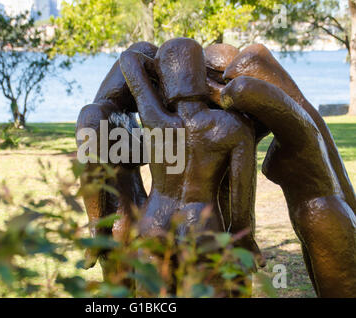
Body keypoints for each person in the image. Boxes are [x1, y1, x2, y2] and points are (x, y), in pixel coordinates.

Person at [120, 38, 263, 293]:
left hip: (155, 220)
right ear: (201, 74)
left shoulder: (155, 118)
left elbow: (129, 60)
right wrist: (244, 238)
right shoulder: (234, 128)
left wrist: (159, 70)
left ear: (166, 78)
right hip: (200, 223)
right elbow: (242, 201)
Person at [222, 75, 356, 297]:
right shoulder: (293, 120)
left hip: (322, 218)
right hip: (311, 217)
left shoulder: (298, 123)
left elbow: (241, 89)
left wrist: (199, 87)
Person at [76, 42, 158, 285]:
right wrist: (96, 231)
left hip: (141, 214)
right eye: (153, 85)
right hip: (116, 222)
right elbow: (91, 175)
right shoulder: (94, 115)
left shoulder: (127, 116)